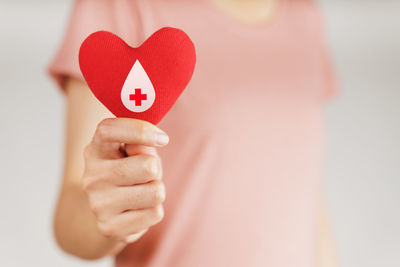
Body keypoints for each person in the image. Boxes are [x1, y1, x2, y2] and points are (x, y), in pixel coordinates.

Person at [48, 0, 339, 266]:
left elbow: (307, 197)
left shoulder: (306, 16)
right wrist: (111, 213)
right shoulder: (120, 6)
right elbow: (71, 216)